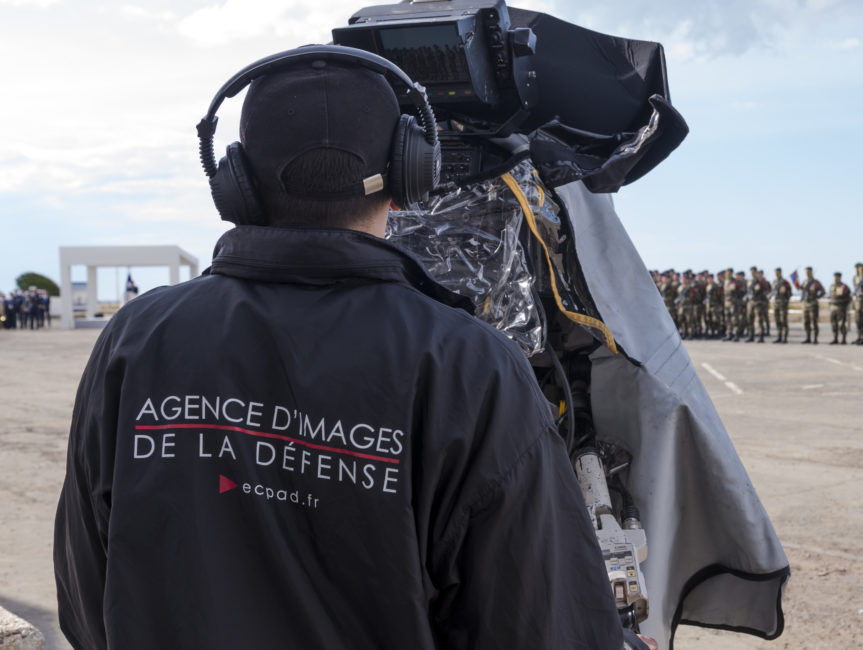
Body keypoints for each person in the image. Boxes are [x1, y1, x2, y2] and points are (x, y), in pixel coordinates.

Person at [54, 48, 631, 650]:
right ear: (410, 175)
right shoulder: (471, 367)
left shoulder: (137, 338)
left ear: (237, 184)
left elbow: (86, 596)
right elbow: (539, 626)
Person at [799, 267, 824, 345]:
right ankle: (808, 337)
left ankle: (815, 338)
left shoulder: (815, 282)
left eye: (808, 272)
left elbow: (823, 291)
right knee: (806, 321)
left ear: (811, 272)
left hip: (813, 304)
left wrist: (816, 297)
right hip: (805, 304)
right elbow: (802, 290)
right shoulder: (804, 282)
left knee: (814, 322)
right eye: (806, 272)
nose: (807, 273)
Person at [829, 271, 851, 344]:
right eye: (835, 277)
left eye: (837, 277)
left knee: (841, 324)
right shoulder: (832, 286)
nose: (835, 278)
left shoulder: (843, 286)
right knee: (833, 323)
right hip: (832, 307)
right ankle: (835, 338)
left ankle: (843, 339)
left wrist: (844, 305)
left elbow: (849, 297)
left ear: (840, 278)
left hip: (840, 308)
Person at [770, 268, 791, 343]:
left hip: (783, 304)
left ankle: (785, 338)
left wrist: (785, 292)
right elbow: (772, 292)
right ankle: (779, 337)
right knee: (777, 321)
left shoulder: (785, 282)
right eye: (776, 272)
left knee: (784, 321)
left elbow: (789, 294)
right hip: (776, 303)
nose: (777, 274)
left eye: (778, 272)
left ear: (781, 273)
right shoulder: (774, 282)